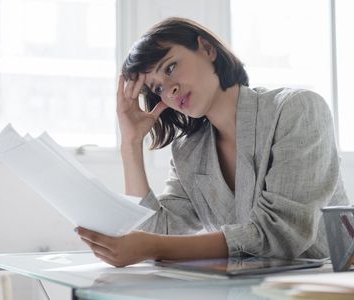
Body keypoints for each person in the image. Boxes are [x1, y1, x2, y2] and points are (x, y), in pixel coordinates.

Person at [76, 17, 349, 267]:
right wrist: (131, 143)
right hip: (247, 291)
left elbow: (281, 236)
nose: (168, 90)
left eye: (170, 67)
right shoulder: (189, 151)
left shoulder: (297, 109)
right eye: (157, 88)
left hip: (328, 286)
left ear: (207, 49)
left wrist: (153, 246)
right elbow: (154, 231)